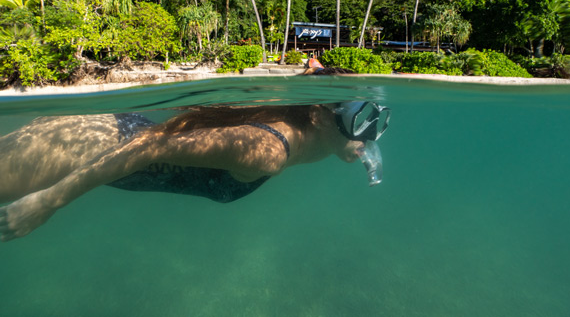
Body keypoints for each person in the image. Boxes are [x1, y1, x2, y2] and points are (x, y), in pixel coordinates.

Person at [0, 102, 390, 242]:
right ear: (317, 115)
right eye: (359, 121)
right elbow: (150, 146)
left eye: (375, 123)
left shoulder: (307, 133)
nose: (369, 135)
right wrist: (47, 202)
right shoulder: (269, 150)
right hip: (88, 146)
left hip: (106, 133)